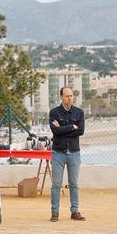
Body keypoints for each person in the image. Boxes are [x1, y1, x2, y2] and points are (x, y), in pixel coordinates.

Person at [49, 87, 85, 222]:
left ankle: (75, 211)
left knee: (74, 183)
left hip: (74, 153)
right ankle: (55, 212)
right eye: (66, 96)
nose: (69, 98)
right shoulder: (53, 112)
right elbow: (55, 131)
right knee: (56, 184)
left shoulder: (79, 112)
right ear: (61, 97)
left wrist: (62, 128)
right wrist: (71, 127)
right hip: (58, 153)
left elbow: (81, 131)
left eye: (71, 96)